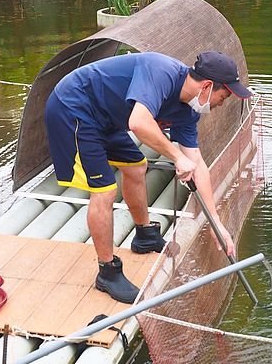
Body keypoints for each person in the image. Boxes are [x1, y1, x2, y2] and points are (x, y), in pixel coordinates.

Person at [45, 50, 252, 303]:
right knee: (105, 190)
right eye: (224, 96)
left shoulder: (189, 112)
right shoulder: (160, 72)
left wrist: (216, 222)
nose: (222, 103)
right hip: (74, 108)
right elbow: (139, 123)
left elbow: (197, 164)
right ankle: (107, 272)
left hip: (107, 119)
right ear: (207, 86)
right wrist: (176, 156)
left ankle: (145, 235)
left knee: (135, 165)